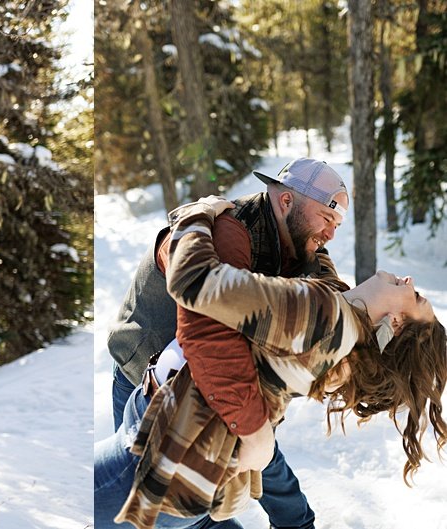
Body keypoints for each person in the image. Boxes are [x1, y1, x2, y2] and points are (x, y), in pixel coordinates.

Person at [94, 197, 447, 529]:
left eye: (415, 297)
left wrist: (196, 216)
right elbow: (327, 281)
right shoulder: (346, 341)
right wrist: (304, 228)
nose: (410, 281)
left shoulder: (323, 318)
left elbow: (196, 282)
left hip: (157, 464)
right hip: (194, 476)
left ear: (397, 323)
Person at [105, 158, 350, 528]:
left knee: (199, 494)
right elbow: (211, 342)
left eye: (337, 224)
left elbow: (335, 300)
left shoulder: (300, 245)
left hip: (199, 383)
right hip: (145, 376)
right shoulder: (228, 231)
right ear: (286, 202)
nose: (331, 233)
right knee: (163, 507)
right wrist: (254, 427)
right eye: (326, 218)